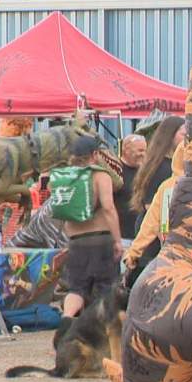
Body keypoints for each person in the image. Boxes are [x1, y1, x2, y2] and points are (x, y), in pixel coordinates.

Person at [59, 136, 124, 321]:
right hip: (101, 239)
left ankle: (67, 318)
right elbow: (108, 208)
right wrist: (118, 240)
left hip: (76, 240)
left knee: (76, 288)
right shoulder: (100, 175)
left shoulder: (65, 176)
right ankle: (102, 328)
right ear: (94, 154)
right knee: (106, 287)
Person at [126, 116, 184, 287]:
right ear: (170, 135)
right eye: (183, 134)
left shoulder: (159, 164)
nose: (188, 140)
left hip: (153, 235)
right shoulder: (163, 168)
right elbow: (156, 210)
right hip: (156, 239)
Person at [114, 134, 147, 241]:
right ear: (126, 150)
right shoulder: (115, 170)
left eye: (145, 151)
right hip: (122, 236)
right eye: (140, 150)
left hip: (142, 235)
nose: (143, 154)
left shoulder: (146, 172)